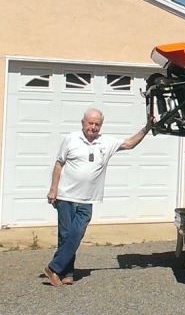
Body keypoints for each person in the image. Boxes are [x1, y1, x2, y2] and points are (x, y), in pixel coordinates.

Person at [43, 108, 154, 287]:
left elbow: (129, 144)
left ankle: (53, 267)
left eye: (97, 124)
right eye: (90, 123)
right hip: (65, 196)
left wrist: (147, 128)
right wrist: (53, 189)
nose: (93, 127)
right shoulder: (71, 139)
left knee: (76, 234)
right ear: (83, 123)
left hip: (87, 199)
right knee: (65, 235)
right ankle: (67, 273)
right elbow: (59, 164)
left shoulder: (106, 142)